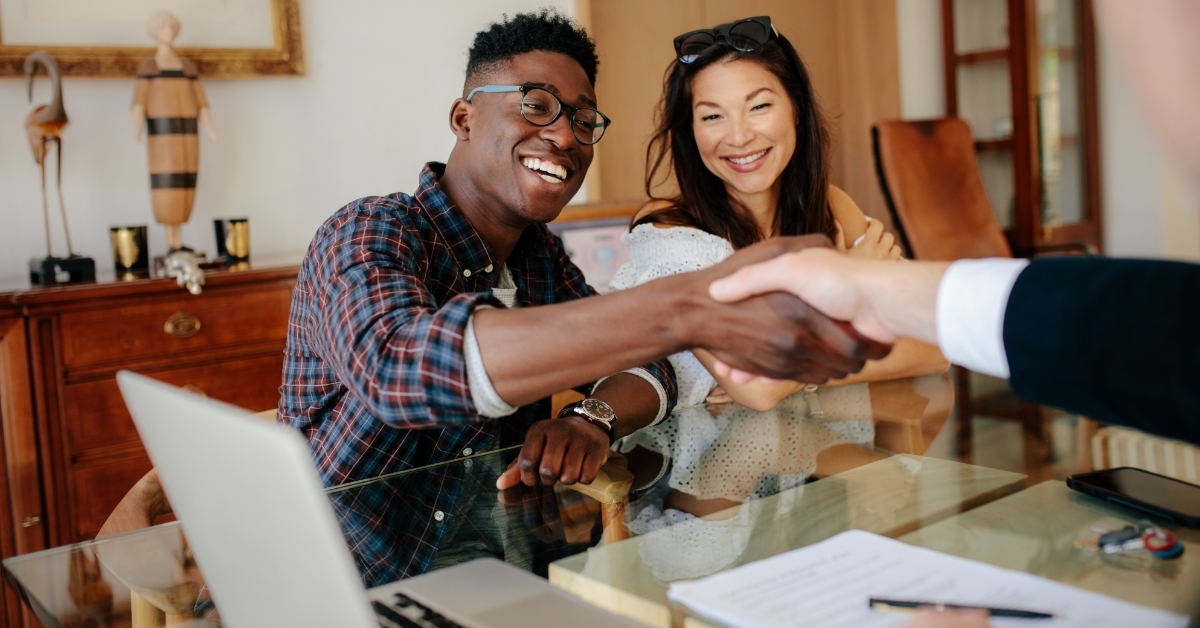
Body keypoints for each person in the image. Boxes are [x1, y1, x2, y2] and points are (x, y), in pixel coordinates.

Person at [278, 10, 888, 586]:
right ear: (464, 119)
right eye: (536, 105)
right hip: (342, 581)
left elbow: (645, 363)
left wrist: (593, 416)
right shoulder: (370, 232)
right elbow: (399, 368)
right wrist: (678, 307)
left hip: (510, 576)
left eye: (582, 119)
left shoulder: (540, 260)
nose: (565, 136)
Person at [607, 16, 948, 413]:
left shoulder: (831, 207)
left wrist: (795, 374)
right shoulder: (668, 229)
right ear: (691, 131)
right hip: (682, 465)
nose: (738, 137)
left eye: (759, 107)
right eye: (712, 116)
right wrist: (844, 292)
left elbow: (935, 343)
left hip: (818, 450)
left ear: (796, 109)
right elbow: (759, 392)